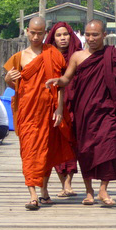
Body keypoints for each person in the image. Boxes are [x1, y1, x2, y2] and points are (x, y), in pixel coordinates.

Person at [46, 19, 116, 207]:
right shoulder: (77, 56)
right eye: (88, 34)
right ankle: (89, 191)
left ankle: (103, 189)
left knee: (108, 147)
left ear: (104, 36)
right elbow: (67, 79)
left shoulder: (113, 55)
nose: (91, 38)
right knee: (86, 151)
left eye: (95, 35)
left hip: (107, 110)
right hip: (84, 111)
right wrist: (57, 81)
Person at [4, 16, 75, 210]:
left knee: (46, 151)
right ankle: (32, 195)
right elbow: (15, 85)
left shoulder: (52, 53)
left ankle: (43, 191)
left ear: (45, 33)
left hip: (48, 111)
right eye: (32, 32)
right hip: (27, 111)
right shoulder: (19, 57)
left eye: (40, 33)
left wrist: (60, 108)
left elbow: (60, 84)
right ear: (27, 31)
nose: (35, 36)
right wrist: (8, 79)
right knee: (29, 151)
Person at [44, 22, 82, 198]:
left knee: (72, 143)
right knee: (57, 143)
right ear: (53, 38)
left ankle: (69, 182)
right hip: (54, 105)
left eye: (65, 34)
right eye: (58, 35)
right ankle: (62, 182)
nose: (63, 38)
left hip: (75, 104)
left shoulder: (79, 55)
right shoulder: (47, 56)